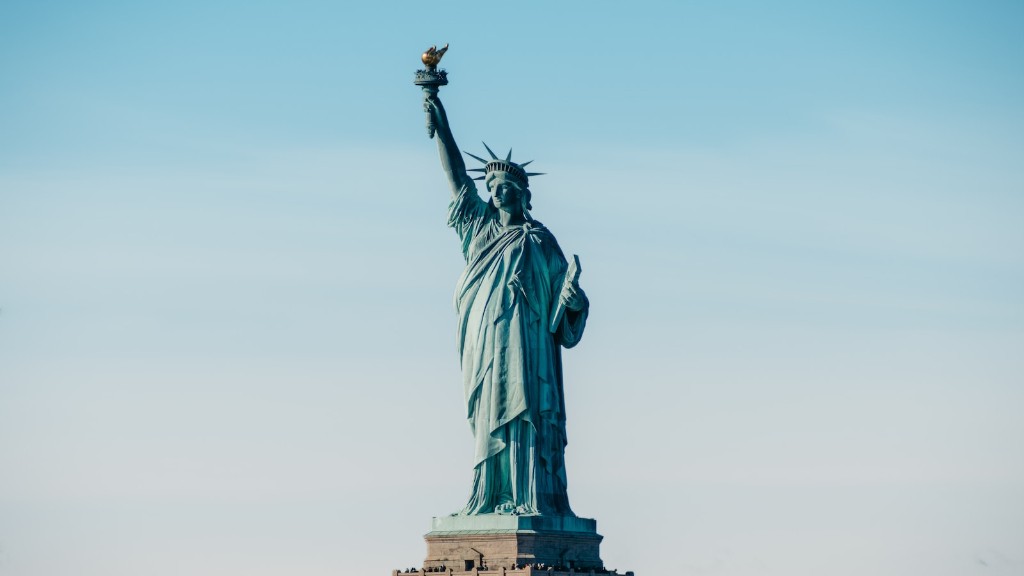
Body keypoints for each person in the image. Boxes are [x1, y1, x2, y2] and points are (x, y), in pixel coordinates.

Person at [423, 93, 589, 516]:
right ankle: (489, 495)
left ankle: (528, 496)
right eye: (492, 189)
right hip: (485, 343)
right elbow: (456, 174)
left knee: (526, 413)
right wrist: (438, 116)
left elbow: (564, 309)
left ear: (522, 194)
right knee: (487, 417)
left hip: (528, 348)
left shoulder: (539, 240)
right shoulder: (477, 227)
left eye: (505, 190)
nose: (496, 195)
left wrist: (573, 300)